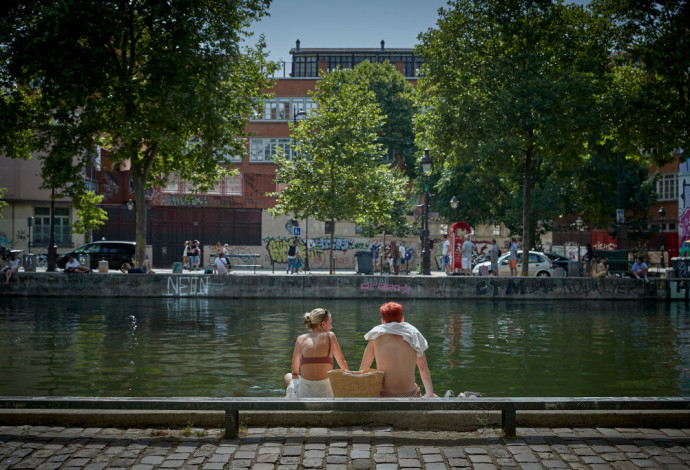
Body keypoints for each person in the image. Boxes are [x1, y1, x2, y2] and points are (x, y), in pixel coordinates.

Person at [359, 302, 436, 398]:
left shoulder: (375, 335)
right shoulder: (414, 334)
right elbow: (423, 368)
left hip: (383, 396)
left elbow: (363, 369)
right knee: (420, 389)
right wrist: (430, 395)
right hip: (410, 395)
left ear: (382, 320)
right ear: (402, 318)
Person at [285, 308, 349, 398]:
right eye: (330, 323)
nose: (332, 327)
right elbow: (342, 361)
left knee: (288, 376)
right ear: (323, 324)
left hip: (304, 394)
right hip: (326, 394)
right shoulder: (330, 336)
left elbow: (294, 371)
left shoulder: (300, 339)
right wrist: (350, 378)